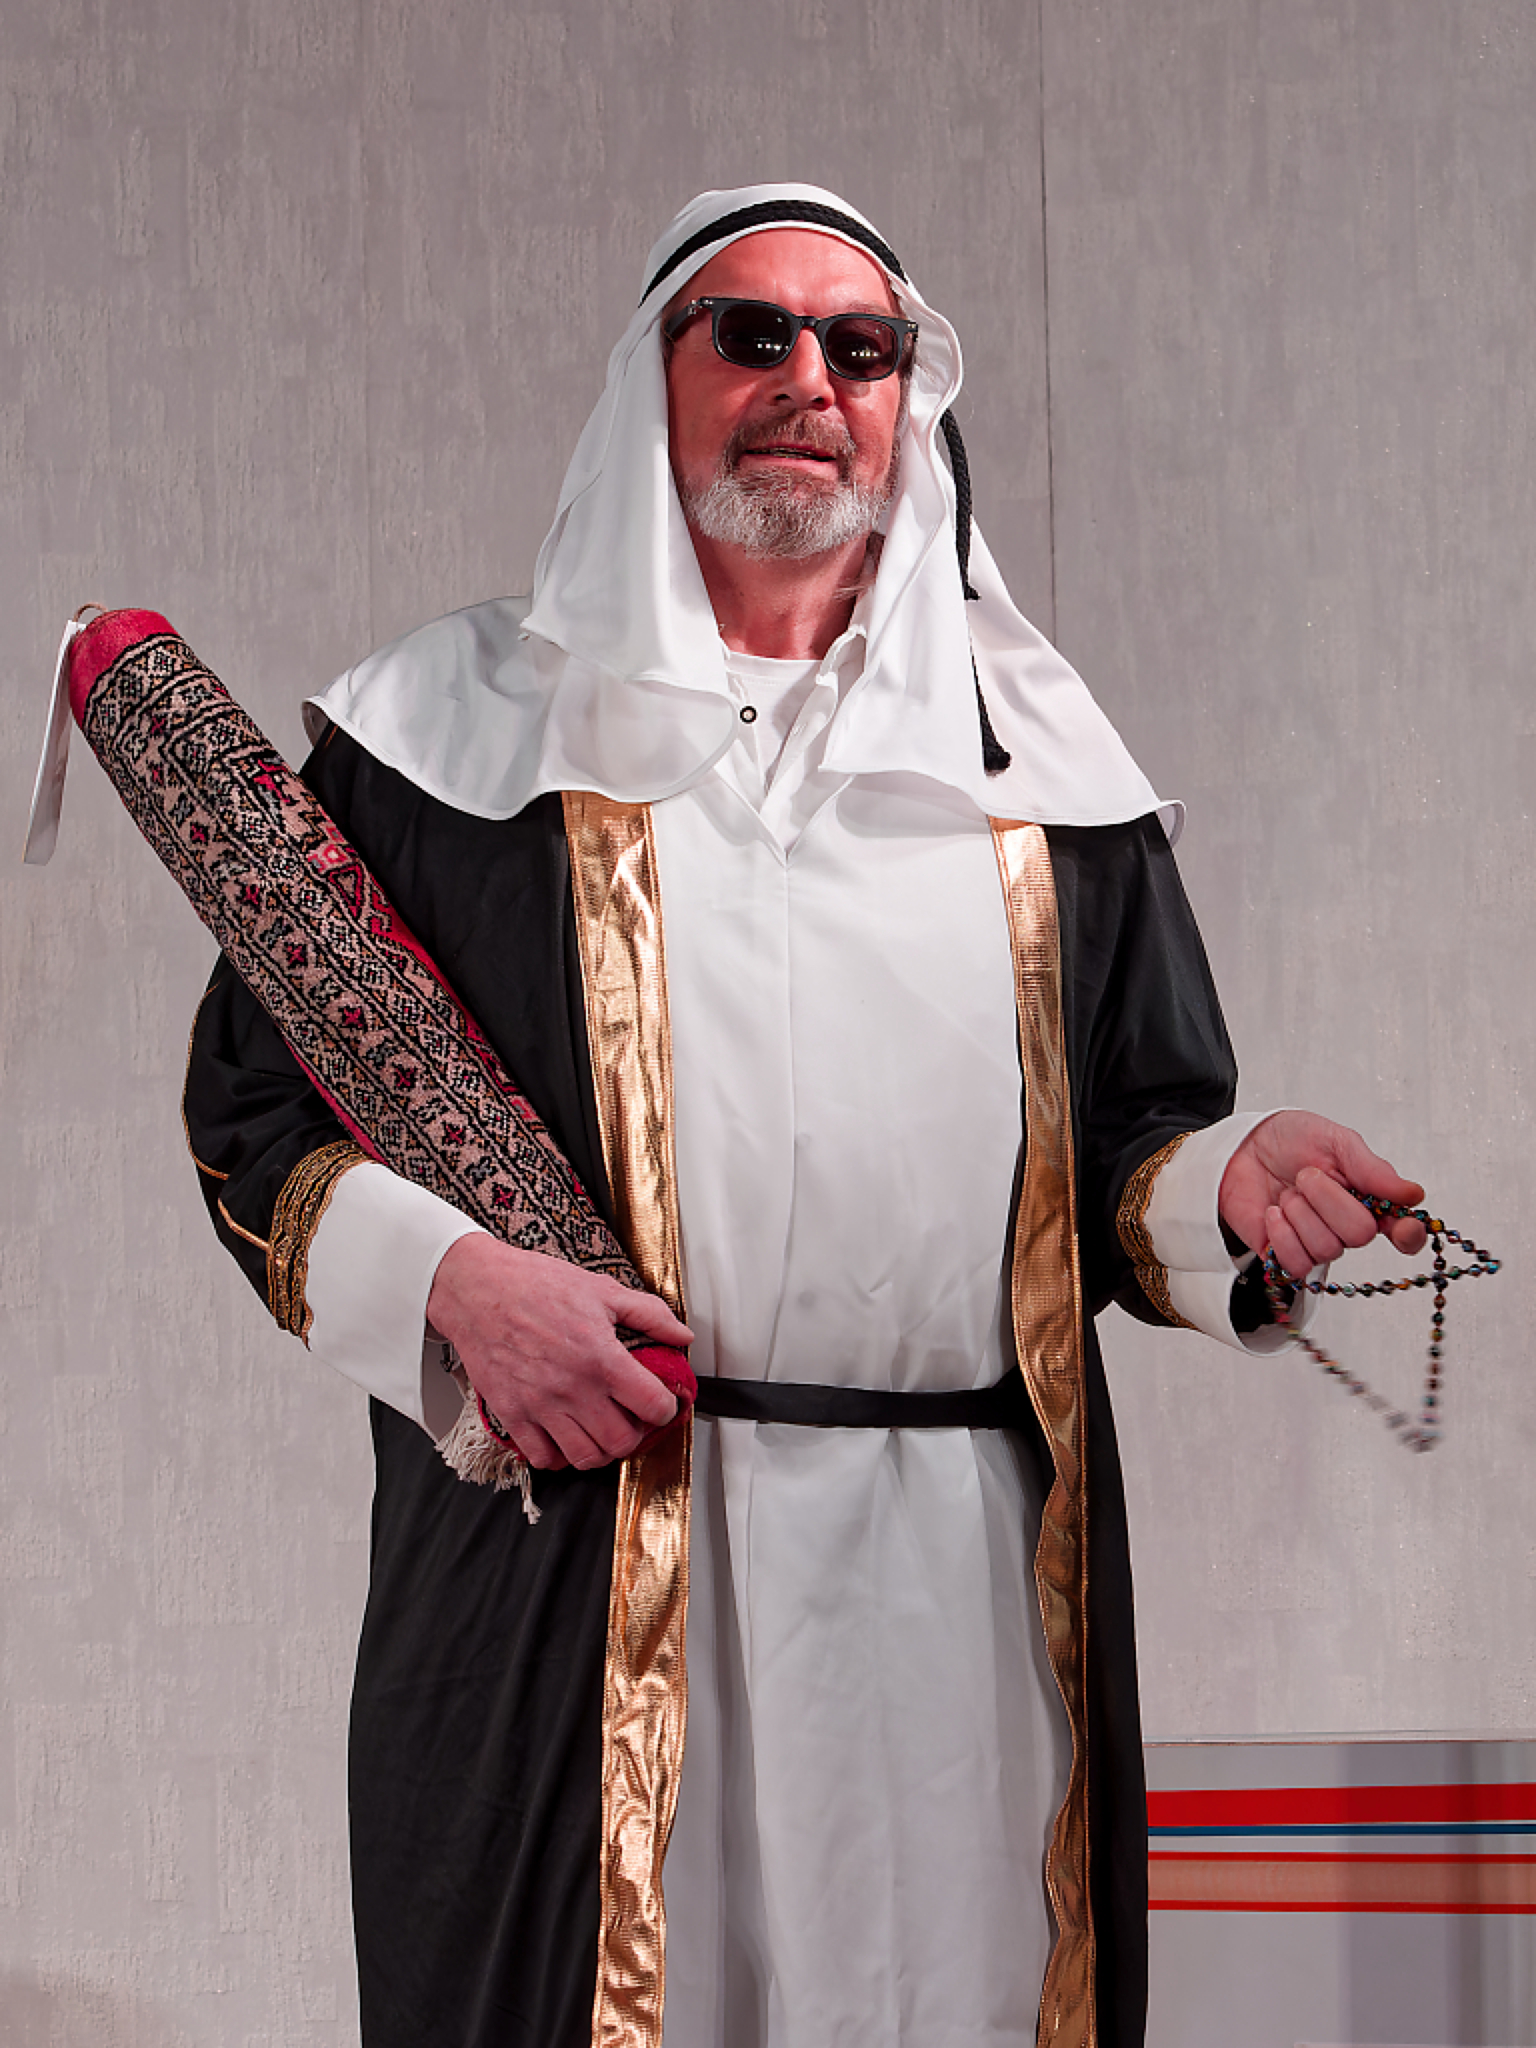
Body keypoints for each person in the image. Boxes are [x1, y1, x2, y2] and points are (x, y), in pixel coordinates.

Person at [182, 185, 1426, 2048]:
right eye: (750, 334)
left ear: (908, 399)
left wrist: (1231, 1189)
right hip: (584, 1556)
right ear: (654, 379)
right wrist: (453, 1289)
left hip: (955, 1583)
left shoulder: (1041, 776)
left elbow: (1126, 1153)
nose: (810, 383)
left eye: (863, 348)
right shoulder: (447, 735)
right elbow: (258, 1111)